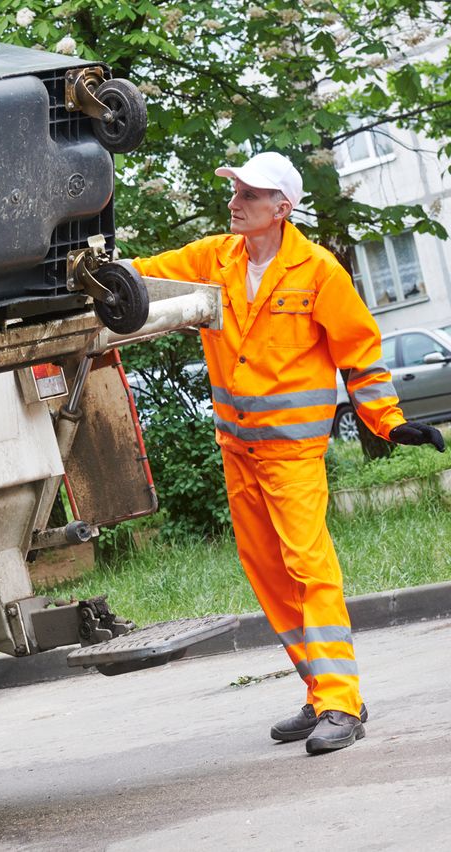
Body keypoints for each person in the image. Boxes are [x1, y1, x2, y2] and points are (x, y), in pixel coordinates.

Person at [130, 151, 445, 754]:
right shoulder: (212, 259)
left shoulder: (318, 270)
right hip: (238, 450)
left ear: (283, 207)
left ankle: (341, 704)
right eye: (234, 191)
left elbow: (358, 351)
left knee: (309, 568)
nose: (235, 202)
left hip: (293, 455)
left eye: (249, 194)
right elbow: (139, 275)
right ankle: (321, 690)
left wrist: (388, 421)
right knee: (270, 575)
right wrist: (85, 270)